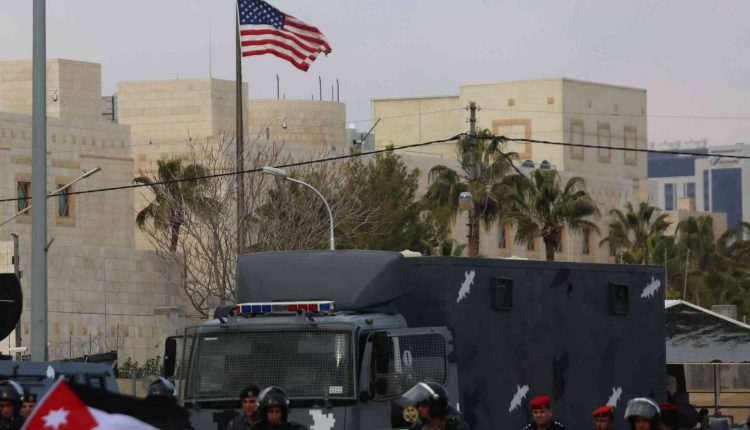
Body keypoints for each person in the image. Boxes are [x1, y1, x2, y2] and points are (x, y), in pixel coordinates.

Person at [399, 382, 469, 430]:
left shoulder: (456, 427)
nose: (419, 409)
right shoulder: (418, 427)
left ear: (436, 406)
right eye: (418, 405)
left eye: (423, 405)